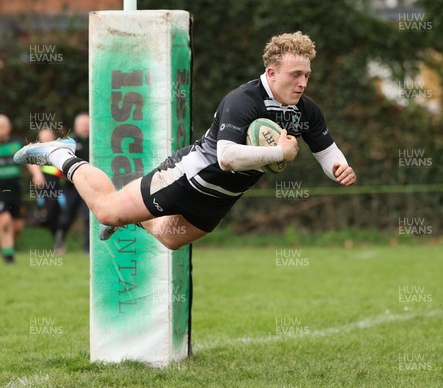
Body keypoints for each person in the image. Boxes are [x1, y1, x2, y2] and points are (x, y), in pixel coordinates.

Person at [14, 32, 357, 251]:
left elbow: (326, 151)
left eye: (306, 75)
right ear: (271, 73)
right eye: (295, 74)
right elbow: (226, 156)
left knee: (170, 238)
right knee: (106, 209)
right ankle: (61, 154)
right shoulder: (243, 100)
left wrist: (338, 168)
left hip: (222, 197)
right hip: (189, 176)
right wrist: (279, 151)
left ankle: (129, 216)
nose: (302, 82)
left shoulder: (306, 111)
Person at [0, 114, 44, 264]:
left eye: (2, 127)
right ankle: (9, 257)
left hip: (15, 190)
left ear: (8, 128)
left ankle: (6, 246)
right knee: (4, 220)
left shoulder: (16, 144)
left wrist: (37, 175)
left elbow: (30, 160)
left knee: (17, 226)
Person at [53, 113, 90, 254]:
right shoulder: (70, 142)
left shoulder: (96, 142)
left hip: (89, 186)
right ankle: (60, 240)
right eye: (83, 124)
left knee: (88, 217)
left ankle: (87, 249)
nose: (85, 127)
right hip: (71, 187)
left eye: (87, 124)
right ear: (76, 126)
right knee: (68, 215)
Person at [34, 128, 66, 251]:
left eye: (48, 137)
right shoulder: (36, 153)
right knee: (47, 217)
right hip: (44, 192)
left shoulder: (60, 151)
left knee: (63, 215)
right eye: (43, 138)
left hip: (59, 191)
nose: (45, 140)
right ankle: (58, 240)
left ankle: (60, 239)